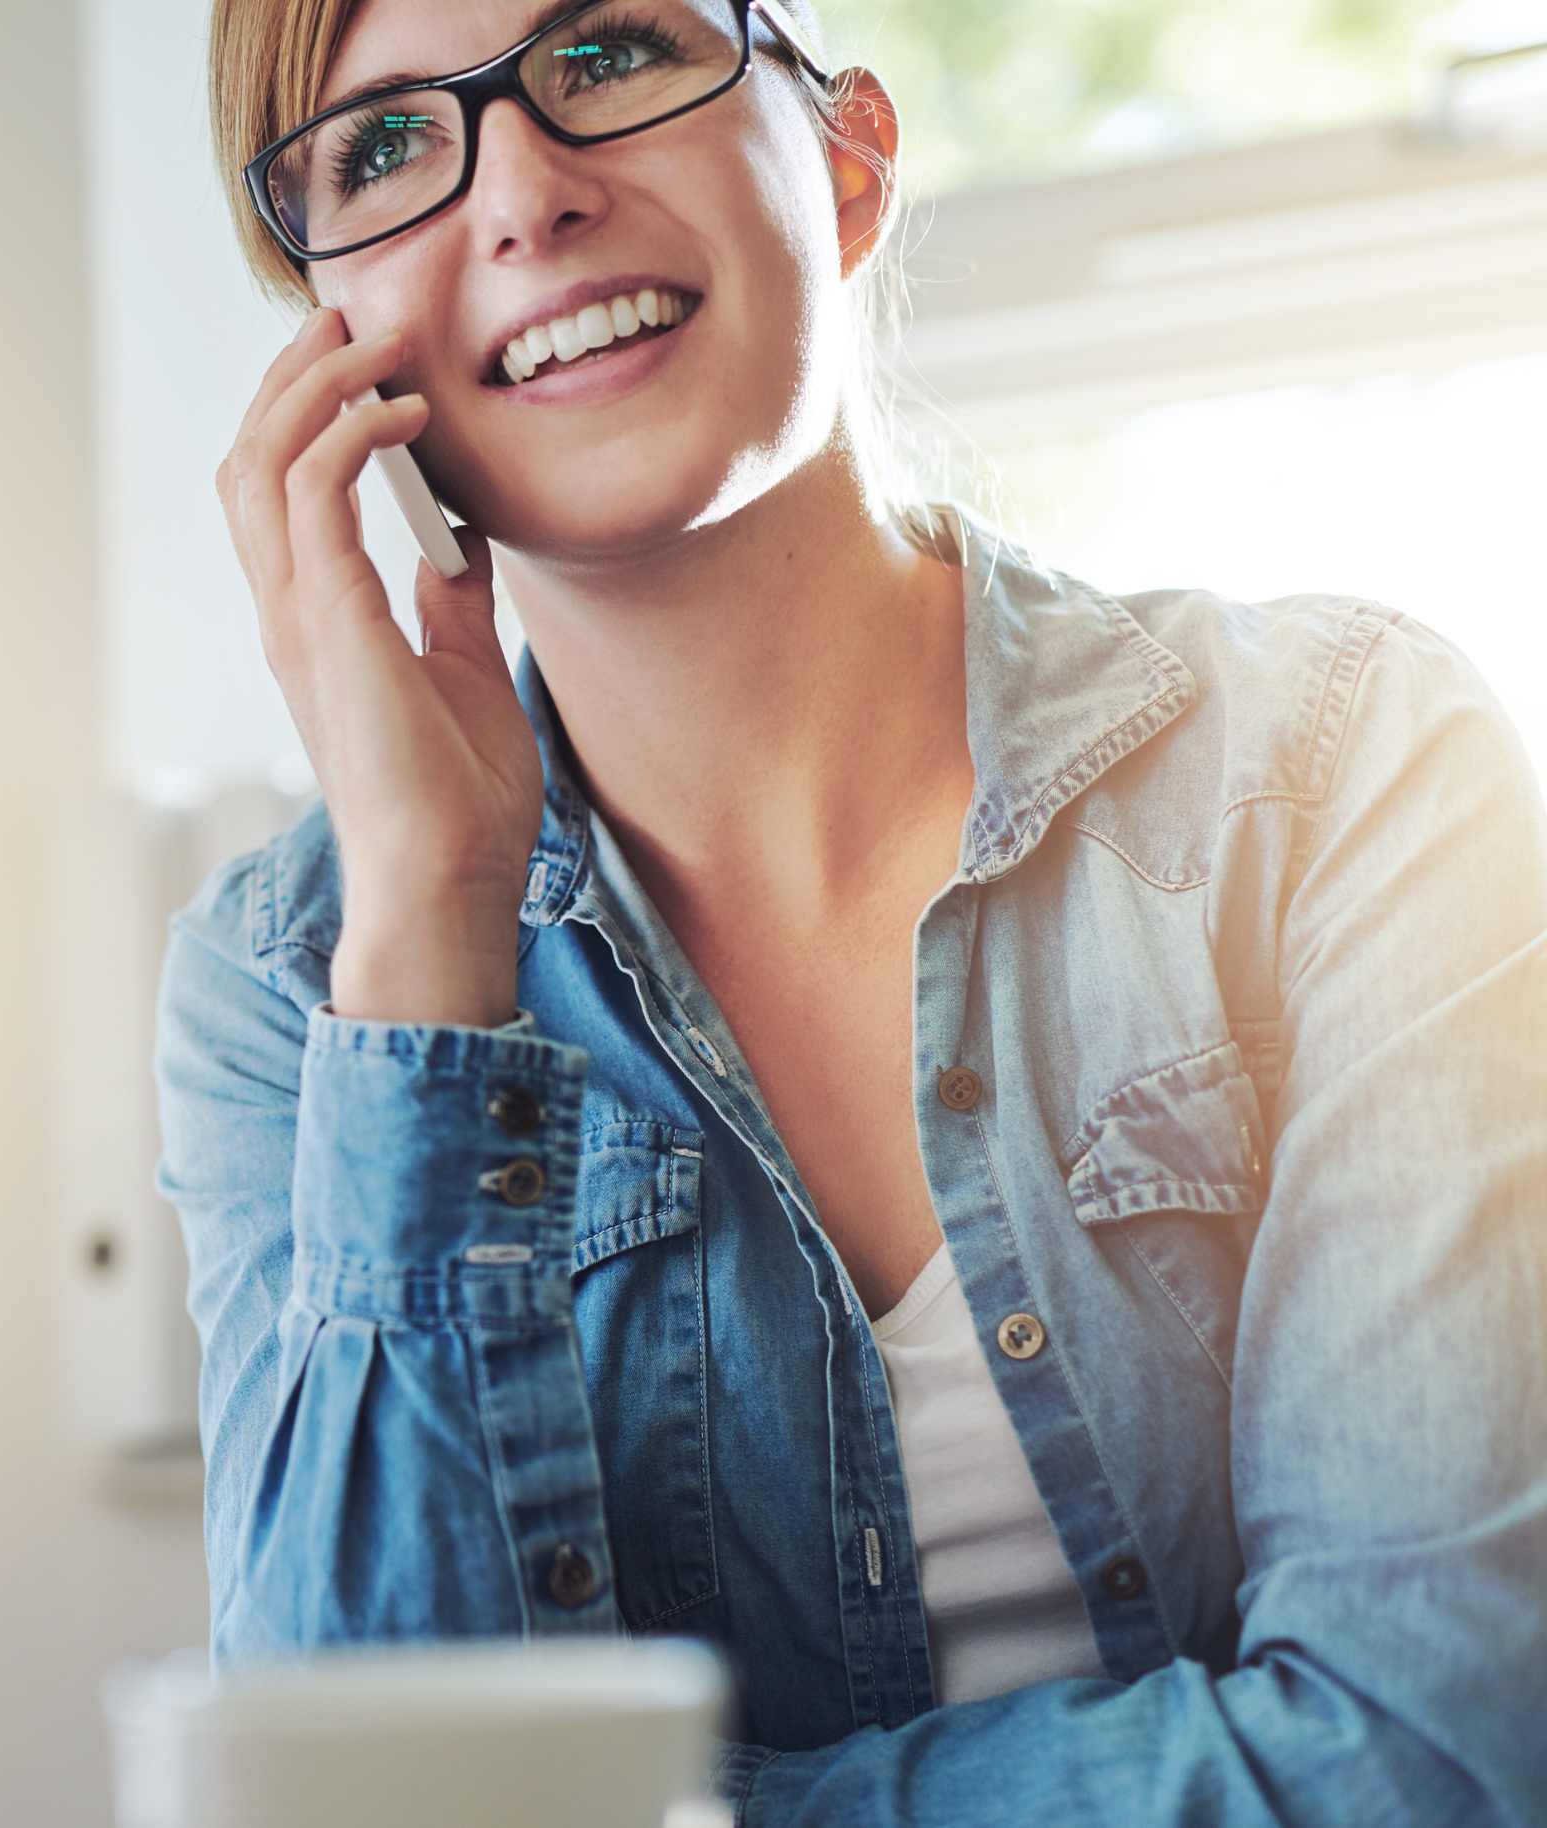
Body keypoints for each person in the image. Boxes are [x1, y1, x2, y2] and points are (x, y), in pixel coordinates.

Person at [150, 0, 1547, 1822]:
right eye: (388, 144)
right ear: (331, 346)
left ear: (853, 157)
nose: (524, 196)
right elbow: (354, 1800)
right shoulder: (290, 988)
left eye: (608, 55)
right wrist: (426, 922)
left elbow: (1438, 1751)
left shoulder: (1349, 769)